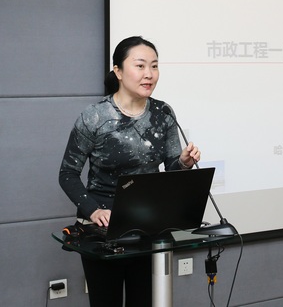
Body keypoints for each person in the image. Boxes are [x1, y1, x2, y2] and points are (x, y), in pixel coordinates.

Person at [59, 36, 200, 306]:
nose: (149, 74)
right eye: (140, 66)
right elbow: (67, 173)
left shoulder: (163, 113)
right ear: (119, 71)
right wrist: (93, 211)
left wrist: (183, 162)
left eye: (154, 66)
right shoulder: (95, 117)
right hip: (103, 230)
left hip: (149, 227)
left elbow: (172, 170)